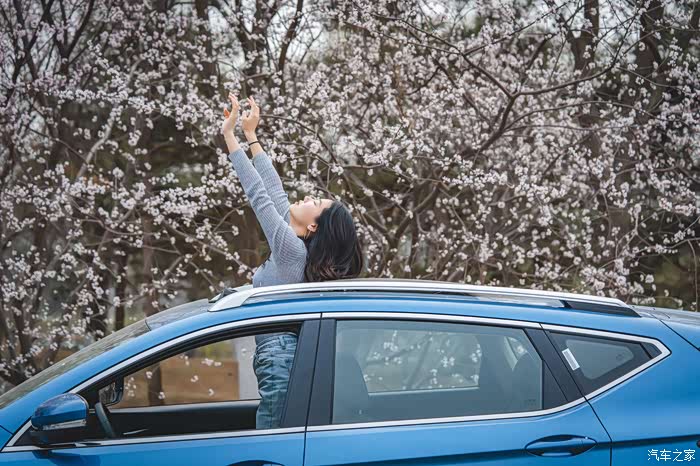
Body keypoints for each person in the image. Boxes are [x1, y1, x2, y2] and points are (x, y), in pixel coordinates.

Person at [221, 92, 364, 429]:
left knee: (273, 441)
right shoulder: (296, 247)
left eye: (316, 202)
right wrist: (251, 135)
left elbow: (260, 196)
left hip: (279, 358)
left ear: (313, 226)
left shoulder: (292, 251)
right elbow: (275, 190)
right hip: (279, 356)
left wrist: (230, 137)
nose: (308, 196)